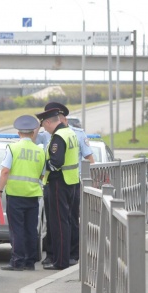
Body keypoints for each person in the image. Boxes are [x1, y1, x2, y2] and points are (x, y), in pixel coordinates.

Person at [36, 101, 91, 266]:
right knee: (66, 222)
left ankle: (60, 261)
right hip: (71, 181)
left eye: (44, 126)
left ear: (48, 122)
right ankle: (65, 257)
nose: (44, 129)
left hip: (59, 182)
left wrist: (42, 168)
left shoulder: (58, 137)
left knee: (59, 224)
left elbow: (56, 162)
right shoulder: (70, 132)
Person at [0, 114, 45, 270]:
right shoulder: (40, 151)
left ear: (19, 133)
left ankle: (18, 261)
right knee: (31, 229)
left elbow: (5, 171)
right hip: (33, 195)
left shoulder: (13, 148)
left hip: (16, 194)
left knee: (17, 229)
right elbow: (42, 174)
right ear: (32, 133)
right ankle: (30, 262)